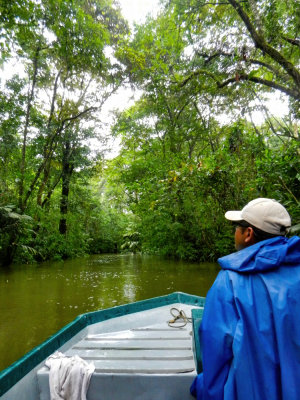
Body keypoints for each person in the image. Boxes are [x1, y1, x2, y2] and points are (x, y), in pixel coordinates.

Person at [190, 198, 300, 400]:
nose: (235, 233)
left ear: (248, 234)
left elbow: (216, 353)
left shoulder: (229, 280)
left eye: (237, 227)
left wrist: (203, 389)